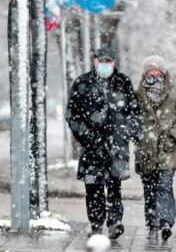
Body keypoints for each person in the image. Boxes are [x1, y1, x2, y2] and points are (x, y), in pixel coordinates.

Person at [66, 48, 142, 239]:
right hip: (92, 146)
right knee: (93, 187)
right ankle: (96, 224)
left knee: (114, 187)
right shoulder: (82, 83)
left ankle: (115, 222)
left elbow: (134, 112)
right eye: (102, 61)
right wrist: (86, 135)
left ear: (114, 62)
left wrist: (125, 132)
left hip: (116, 147)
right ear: (95, 61)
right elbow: (72, 114)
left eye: (109, 61)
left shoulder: (122, 82)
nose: (105, 64)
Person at [135, 55, 176, 242]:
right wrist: (139, 135)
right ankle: (152, 223)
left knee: (164, 186)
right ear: (145, 74)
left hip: (168, 149)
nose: (153, 74)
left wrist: (174, 135)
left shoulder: (174, 92)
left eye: (157, 71)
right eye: (150, 71)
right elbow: (133, 120)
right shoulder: (139, 94)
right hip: (146, 151)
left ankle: (166, 222)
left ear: (163, 72)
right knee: (149, 189)